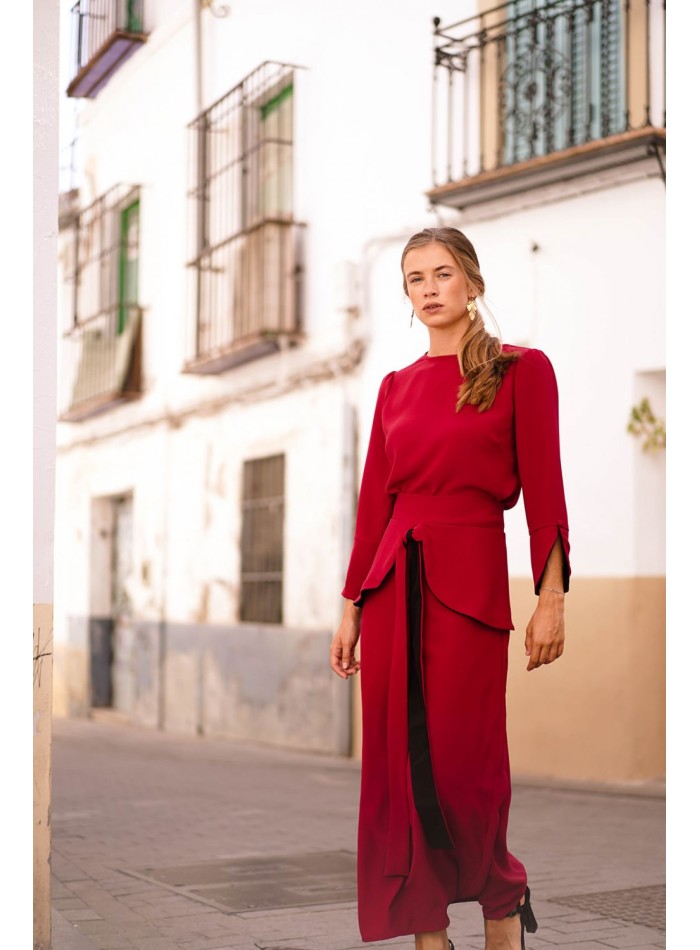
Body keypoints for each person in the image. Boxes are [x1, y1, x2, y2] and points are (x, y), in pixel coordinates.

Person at [330, 227, 570, 950]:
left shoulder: (520, 370)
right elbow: (375, 505)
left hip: (468, 588)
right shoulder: (395, 388)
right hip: (390, 586)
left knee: (469, 766)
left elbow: (545, 491)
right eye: (414, 279)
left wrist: (551, 598)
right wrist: (349, 609)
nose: (429, 289)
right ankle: (425, 931)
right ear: (406, 295)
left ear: (471, 282)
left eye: (442, 274)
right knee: (398, 774)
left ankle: (502, 901)